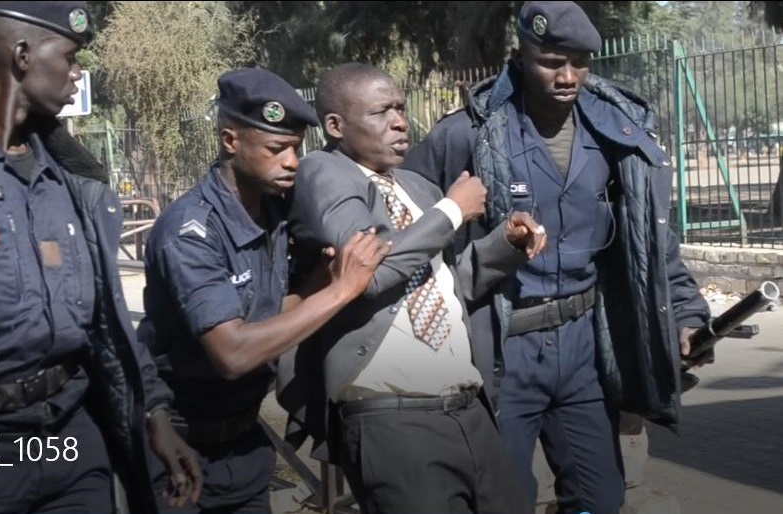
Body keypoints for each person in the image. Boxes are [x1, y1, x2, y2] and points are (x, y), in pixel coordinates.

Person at [402, 2, 713, 513]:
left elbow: (652, 243)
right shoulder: (469, 133)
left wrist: (685, 314)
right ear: (522, 56)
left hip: (586, 345)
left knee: (599, 496)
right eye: (551, 61)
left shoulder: (616, 134)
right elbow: (410, 221)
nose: (568, 76)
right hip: (503, 350)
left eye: (580, 61)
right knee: (503, 499)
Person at [0, 3, 202, 513]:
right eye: (69, 58)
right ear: (22, 56)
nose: (77, 74)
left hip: (72, 436)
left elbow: (108, 317)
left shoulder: (74, 180)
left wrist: (154, 412)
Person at [279, 62, 547, 514]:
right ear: (335, 126)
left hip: (468, 410)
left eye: (401, 108)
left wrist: (505, 245)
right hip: (393, 419)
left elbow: (445, 284)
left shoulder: (417, 186)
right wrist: (450, 212)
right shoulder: (324, 173)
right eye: (381, 112)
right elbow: (369, 274)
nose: (400, 122)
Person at [137, 67, 391, 514]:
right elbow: (232, 354)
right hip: (178, 449)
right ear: (231, 141)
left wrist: (323, 280)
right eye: (277, 149)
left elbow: (270, 316)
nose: (292, 162)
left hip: (245, 446)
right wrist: (340, 291)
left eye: (295, 149)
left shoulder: (273, 212)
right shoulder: (191, 231)